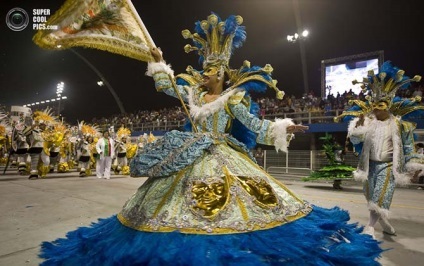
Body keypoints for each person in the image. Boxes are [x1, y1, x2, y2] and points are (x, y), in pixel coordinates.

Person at [39, 14, 383, 265]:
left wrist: (282, 127)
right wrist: (157, 62)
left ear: (222, 73)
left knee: (243, 209)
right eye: (203, 69)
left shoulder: (232, 99)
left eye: (210, 70)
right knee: (168, 208)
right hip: (190, 155)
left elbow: (251, 122)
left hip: (224, 154)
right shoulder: (191, 94)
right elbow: (164, 84)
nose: (204, 73)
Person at [341, 61, 424, 239]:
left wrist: (415, 167)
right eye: (375, 105)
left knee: (380, 196)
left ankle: (370, 227)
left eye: (380, 105)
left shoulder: (400, 125)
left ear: (387, 105)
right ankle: (384, 223)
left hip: (388, 167)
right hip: (369, 166)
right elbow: (355, 139)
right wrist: (359, 127)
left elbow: (408, 146)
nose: (375, 109)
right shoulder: (368, 123)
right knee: (371, 197)